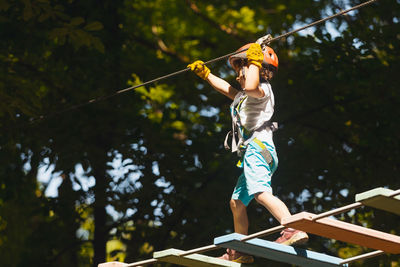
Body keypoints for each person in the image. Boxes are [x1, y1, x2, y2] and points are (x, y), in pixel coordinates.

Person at [187, 43, 308, 263]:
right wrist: (207, 75)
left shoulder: (262, 91)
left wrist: (253, 62)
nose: (236, 77)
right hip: (254, 153)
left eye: (240, 70)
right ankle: (240, 249)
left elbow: (252, 85)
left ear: (258, 69)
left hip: (258, 150)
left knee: (261, 193)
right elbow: (226, 89)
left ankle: (291, 228)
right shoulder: (243, 97)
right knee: (237, 203)